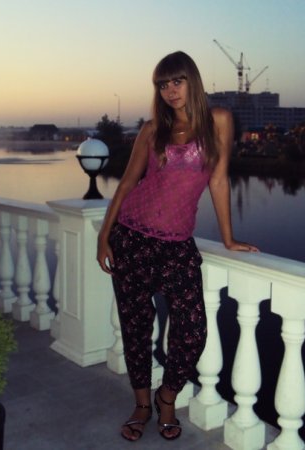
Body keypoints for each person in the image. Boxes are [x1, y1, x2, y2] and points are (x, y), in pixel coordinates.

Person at [97, 50, 258, 442]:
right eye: (162, 84)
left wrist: (228, 238)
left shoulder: (219, 121)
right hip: (131, 238)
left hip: (176, 246)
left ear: (192, 81)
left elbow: (218, 180)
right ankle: (141, 406)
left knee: (192, 330)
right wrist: (104, 236)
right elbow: (127, 183)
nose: (170, 90)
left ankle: (166, 398)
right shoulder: (152, 130)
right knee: (136, 328)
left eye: (177, 81)